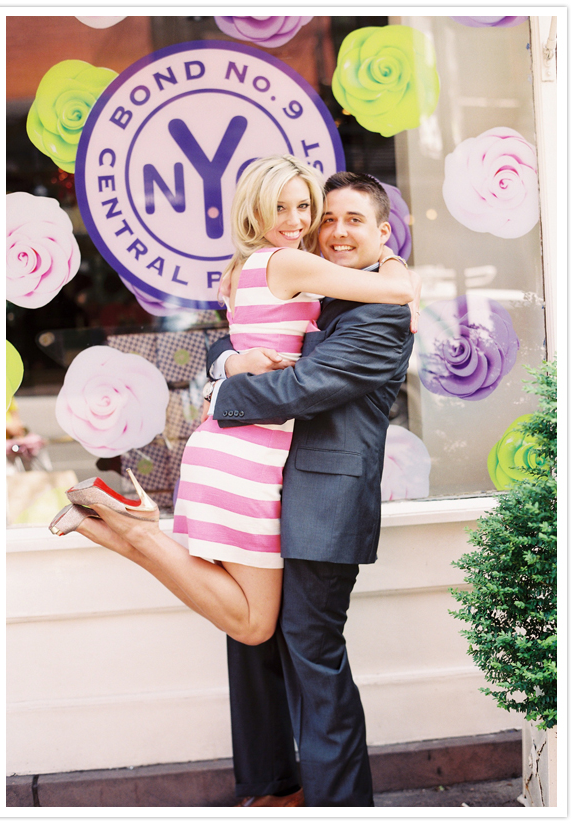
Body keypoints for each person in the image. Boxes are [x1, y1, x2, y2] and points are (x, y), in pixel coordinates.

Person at [48, 156, 413, 654]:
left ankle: (111, 529)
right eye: (280, 207)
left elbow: (234, 343)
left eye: (305, 206)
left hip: (230, 449)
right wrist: (392, 257)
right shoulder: (289, 262)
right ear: (255, 212)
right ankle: (140, 532)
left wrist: (232, 366)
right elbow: (396, 289)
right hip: (249, 456)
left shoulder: (243, 267)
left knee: (245, 614)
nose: (297, 221)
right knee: (254, 623)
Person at [204, 170, 416, 807]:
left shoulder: (382, 313)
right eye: (330, 219)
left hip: (323, 508)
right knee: (250, 639)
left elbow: (302, 387)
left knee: (312, 656)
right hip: (264, 491)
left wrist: (222, 391)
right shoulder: (315, 286)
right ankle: (273, 789)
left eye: (354, 220)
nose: (336, 230)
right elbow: (241, 336)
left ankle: (341, 808)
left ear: (384, 234)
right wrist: (228, 360)